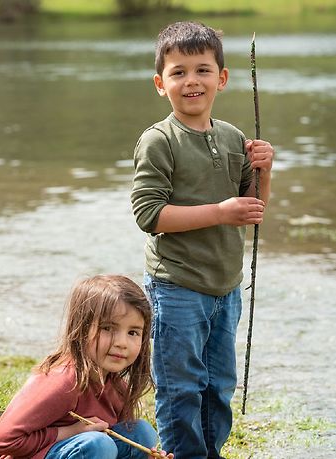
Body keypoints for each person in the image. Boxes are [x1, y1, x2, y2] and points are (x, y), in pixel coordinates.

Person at [131, 21, 274, 458]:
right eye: (178, 73)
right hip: (177, 287)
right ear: (161, 84)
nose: (191, 81)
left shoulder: (232, 137)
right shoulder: (159, 141)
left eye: (202, 70)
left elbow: (250, 211)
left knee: (218, 387)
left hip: (226, 288)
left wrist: (265, 172)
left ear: (222, 78)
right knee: (181, 389)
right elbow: (149, 215)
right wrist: (218, 212)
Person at [0, 274, 174, 459]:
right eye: (108, 328)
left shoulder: (118, 388)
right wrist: (72, 431)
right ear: (82, 329)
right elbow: (3, 441)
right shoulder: (63, 382)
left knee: (141, 433)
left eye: (133, 332)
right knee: (99, 445)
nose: (122, 343)